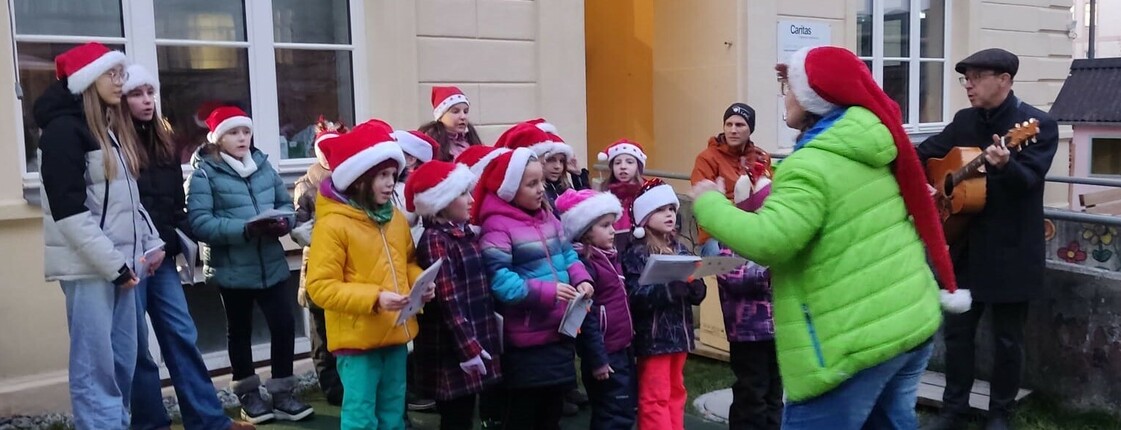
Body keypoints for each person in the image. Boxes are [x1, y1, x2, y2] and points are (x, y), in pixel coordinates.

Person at [690, 45, 971, 429]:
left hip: (849, 344)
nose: (783, 96)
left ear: (812, 99)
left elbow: (769, 240)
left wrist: (708, 203)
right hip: (909, 321)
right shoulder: (871, 145)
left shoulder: (811, 164)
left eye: (788, 87)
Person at [919, 48, 1058, 430]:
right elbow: (924, 153)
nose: (969, 85)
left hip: (1012, 250)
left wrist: (1007, 164)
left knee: (1008, 341)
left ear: (1005, 80)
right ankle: (954, 409)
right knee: (958, 333)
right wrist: (929, 187)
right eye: (966, 78)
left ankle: (1000, 413)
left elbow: (1029, 181)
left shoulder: (1037, 125)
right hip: (965, 247)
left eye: (977, 77)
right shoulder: (965, 121)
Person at [120, 64, 254, 430]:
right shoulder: (115, 143)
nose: (147, 101)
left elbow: (172, 202)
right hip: (128, 260)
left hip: (160, 256)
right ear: (120, 99)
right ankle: (149, 422)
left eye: (150, 92)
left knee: (181, 334)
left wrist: (172, 241)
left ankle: (208, 421)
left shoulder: (162, 138)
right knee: (135, 348)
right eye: (137, 93)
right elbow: (128, 205)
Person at [37, 42, 163, 430]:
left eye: (120, 72)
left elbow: (128, 201)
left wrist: (149, 242)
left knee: (122, 360)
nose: (120, 81)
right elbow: (69, 214)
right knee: (96, 366)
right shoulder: (62, 132)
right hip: (92, 269)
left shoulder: (106, 130)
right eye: (112, 73)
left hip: (120, 267)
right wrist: (115, 266)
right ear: (88, 79)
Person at [186, 106, 313, 424]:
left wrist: (283, 223)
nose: (242, 138)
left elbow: (283, 204)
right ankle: (248, 395)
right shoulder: (204, 173)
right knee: (239, 331)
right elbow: (199, 222)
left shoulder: (263, 166)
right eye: (233, 132)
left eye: (245, 131)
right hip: (232, 266)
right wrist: (244, 229)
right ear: (217, 138)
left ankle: (283, 393)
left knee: (284, 325)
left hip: (270, 261)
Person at [305, 125, 436, 429]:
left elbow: (408, 262)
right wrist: (375, 298)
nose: (391, 183)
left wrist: (420, 283)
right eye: (382, 176)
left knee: (393, 409)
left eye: (393, 175)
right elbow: (320, 287)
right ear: (359, 178)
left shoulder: (395, 220)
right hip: (357, 340)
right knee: (361, 415)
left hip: (395, 332)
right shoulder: (333, 225)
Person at [475, 147, 595, 429]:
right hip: (525, 340)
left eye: (541, 181)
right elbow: (500, 281)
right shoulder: (497, 226)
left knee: (552, 411)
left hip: (558, 332)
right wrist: (547, 292)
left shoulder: (547, 216)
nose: (541, 189)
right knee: (524, 414)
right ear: (509, 189)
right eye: (532, 184)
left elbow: (567, 253)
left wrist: (581, 279)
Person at [405, 160, 504, 430]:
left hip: (473, 334)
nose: (472, 200)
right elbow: (448, 299)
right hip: (452, 345)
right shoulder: (437, 239)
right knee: (456, 416)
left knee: (467, 410)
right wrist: (468, 348)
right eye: (463, 194)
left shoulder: (464, 235)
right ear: (443, 201)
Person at [620, 179, 707, 430]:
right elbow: (635, 295)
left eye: (671, 208)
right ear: (645, 216)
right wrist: (669, 289)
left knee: (676, 391)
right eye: (660, 209)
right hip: (655, 338)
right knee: (655, 395)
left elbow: (695, 293)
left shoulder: (680, 248)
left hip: (679, 335)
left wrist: (695, 286)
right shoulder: (638, 253)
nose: (669, 214)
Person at [555, 189, 638, 430]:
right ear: (585, 230)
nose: (613, 230)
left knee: (619, 410)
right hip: (605, 353)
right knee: (613, 414)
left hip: (620, 348)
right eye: (605, 225)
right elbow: (586, 319)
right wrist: (598, 360)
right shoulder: (587, 264)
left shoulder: (609, 257)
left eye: (613, 224)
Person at [717, 169, 781, 430]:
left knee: (775, 390)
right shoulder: (733, 238)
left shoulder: (773, 238)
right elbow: (733, 276)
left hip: (776, 331)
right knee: (751, 390)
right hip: (747, 333)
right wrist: (768, 271)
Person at [291, 117, 347, 406]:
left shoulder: (350, 180)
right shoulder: (306, 184)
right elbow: (299, 228)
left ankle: (347, 379)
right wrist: (320, 237)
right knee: (321, 330)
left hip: (345, 267)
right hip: (316, 264)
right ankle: (330, 385)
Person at [690, 103, 768, 256]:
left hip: (754, 230)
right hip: (716, 234)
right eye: (728, 124)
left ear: (750, 129)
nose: (733, 130)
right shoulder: (707, 158)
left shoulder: (761, 158)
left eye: (739, 125)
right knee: (723, 256)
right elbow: (702, 200)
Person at [596, 139, 648, 235]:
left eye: (629, 162)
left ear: (638, 166)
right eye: (617, 163)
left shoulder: (648, 192)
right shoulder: (604, 193)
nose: (623, 166)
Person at [420, 86, 484, 161]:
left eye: (465, 111)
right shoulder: (429, 144)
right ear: (440, 116)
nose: (463, 116)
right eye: (455, 111)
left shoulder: (472, 139)